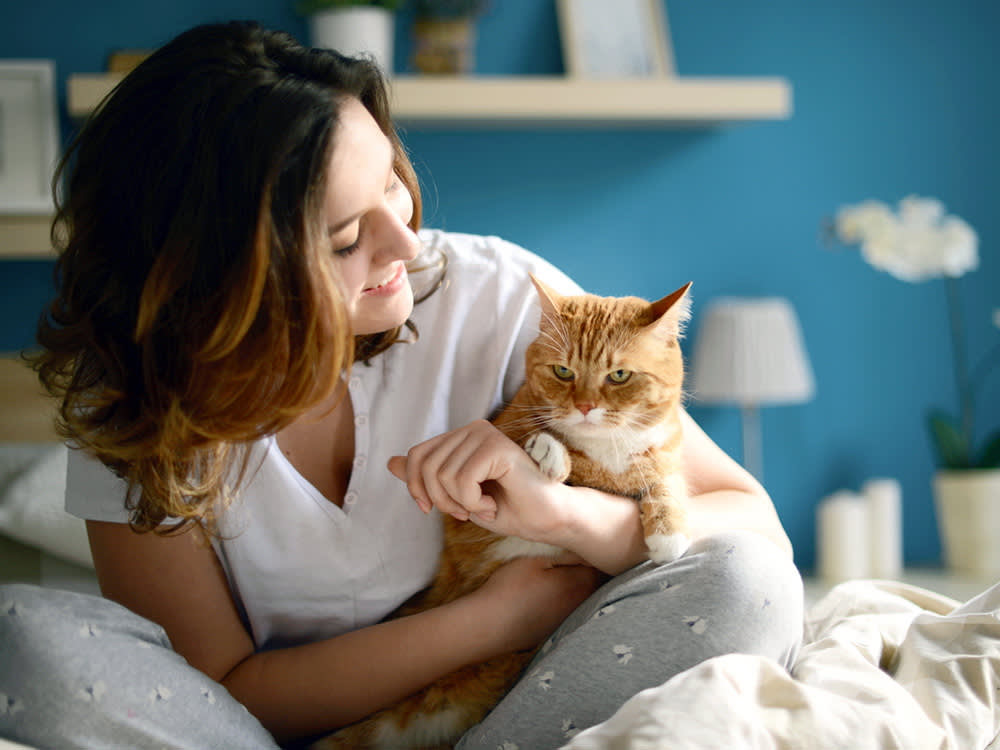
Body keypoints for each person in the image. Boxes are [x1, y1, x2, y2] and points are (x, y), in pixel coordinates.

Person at [0, 21, 803, 750]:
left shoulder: (500, 296)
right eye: (346, 237)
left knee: (749, 584)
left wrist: (563, 516)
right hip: (255, 732)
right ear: (227, 280)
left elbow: (751, 523)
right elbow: (223, 689)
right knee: (22, 640)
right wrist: (497, 617)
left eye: (391, 181)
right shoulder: (135, 403)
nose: (406, 240)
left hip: (518, 705)